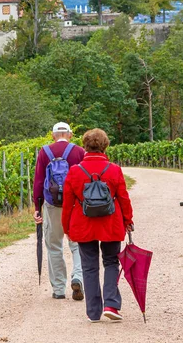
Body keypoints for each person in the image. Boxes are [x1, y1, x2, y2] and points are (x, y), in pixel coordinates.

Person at [62, 128, 134, 322]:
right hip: (111, 223)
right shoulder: (114, 169)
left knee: (89, 266)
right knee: (111, 262)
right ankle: (111, 304)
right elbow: (124, 199)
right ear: (105, 146)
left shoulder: (75, 171)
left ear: (84, 146)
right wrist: (128, 220)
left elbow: (68, 203)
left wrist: (67, 228)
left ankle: (93, 312)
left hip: (83, 224)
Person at [33, 122, 85, 300]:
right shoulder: (79, 152)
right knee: (77, 245)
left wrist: (36, 208)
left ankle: (59, 289)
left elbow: (39, 182)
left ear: (53, 135)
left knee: (54, 246)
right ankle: (78, 276)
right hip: (75, 205)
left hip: (52, 205)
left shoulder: (44, 152)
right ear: (70, 134)